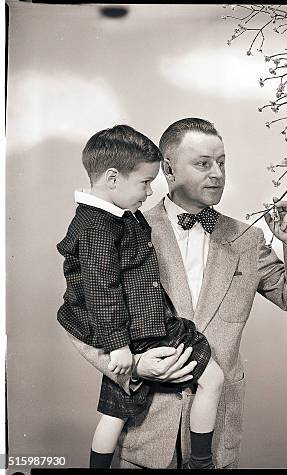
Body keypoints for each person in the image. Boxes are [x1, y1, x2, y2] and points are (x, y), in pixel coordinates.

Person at [65, 118, 287, 469]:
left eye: (222, 162)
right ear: (167, 169)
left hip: (217, 440)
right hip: (144, 432)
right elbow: (84, 310)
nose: (217, 173)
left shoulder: (247, 239)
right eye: (203, 163)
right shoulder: (124, 229)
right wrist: (134, 366)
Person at [57, 125, 225, 470]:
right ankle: (202, 462)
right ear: (113, 178)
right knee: (210, 379)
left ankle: (199, 460)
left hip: (145, 325)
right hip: (141, 331)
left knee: (114, 412)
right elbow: (102, 290)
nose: (150, 191)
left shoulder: (120, 217)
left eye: (221, 163)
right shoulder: (97, 228)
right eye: (145, 183)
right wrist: (121, 349)